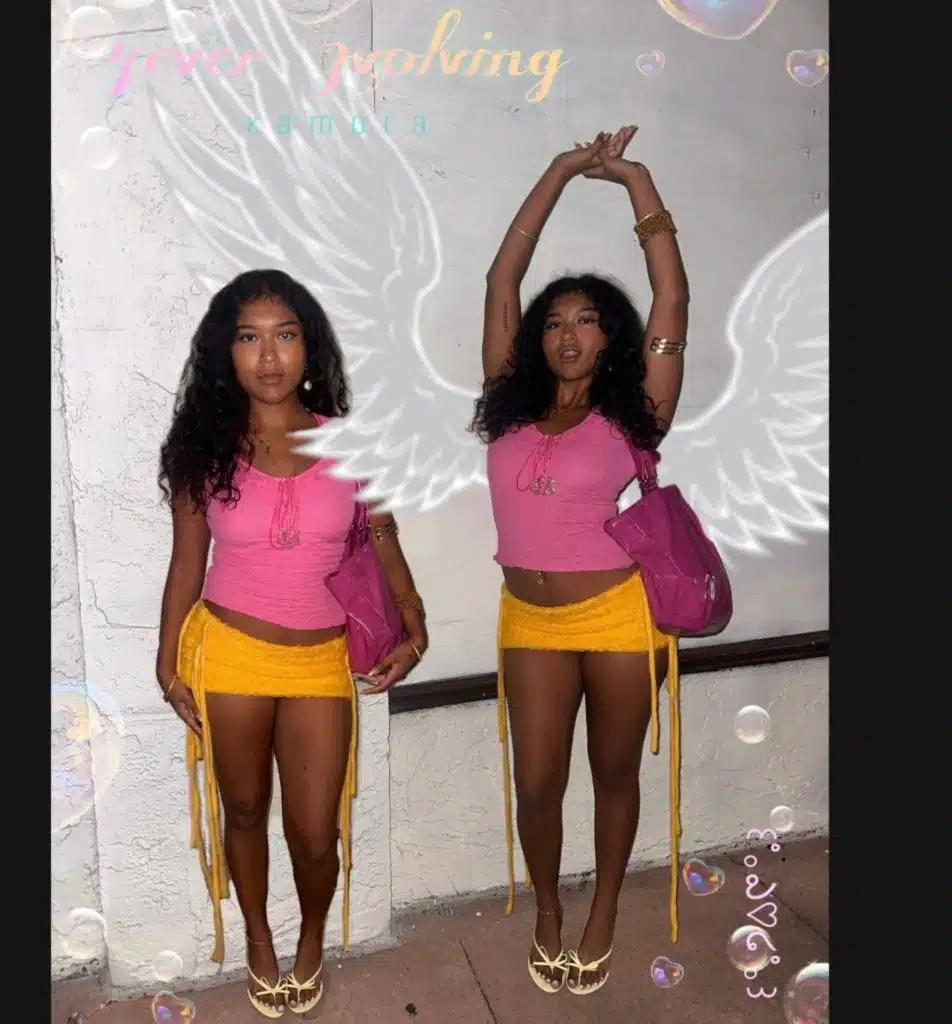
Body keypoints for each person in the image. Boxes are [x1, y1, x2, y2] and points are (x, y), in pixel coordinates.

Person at [155, 269, 428, 1018]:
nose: (269, 355)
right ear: (227, 350)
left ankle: (310, 938)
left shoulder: (351, 444)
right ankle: (258, 941)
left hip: (318, 662)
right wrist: (166, 660)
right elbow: (187, 563)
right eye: (249, 337)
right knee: (243, 812)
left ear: (310, 347)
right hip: (230, 653)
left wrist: (413, 617)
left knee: (314, 833)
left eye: (285, 335)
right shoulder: (204, 448)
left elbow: (382, 536)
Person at [471, 126, 689, 997]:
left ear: (611, 337)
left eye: (586, 321)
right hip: (529, 618)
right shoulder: (507, 400)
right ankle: (549, 911)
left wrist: (637, 183)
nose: (568, 336)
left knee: (612, 774)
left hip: (617, 614)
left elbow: (672, 294)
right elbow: (502, 279)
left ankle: (600, 911)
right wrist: (560, 169)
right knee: (536, 784)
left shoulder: (638, 410)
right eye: (555, 322)